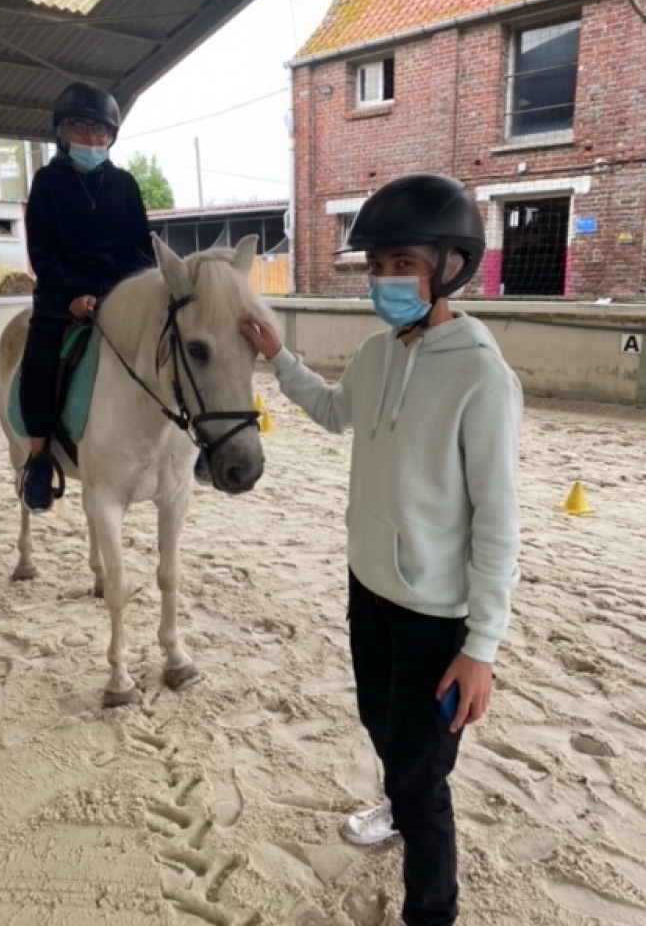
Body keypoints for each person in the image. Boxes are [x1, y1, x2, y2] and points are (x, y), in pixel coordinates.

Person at [241, 173, 522, 926]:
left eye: (403, 264)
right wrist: (279, 358)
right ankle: (396, 801)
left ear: (451, 265)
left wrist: (481, 648)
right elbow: (336, 412)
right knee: (381, 725)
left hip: (436, 615)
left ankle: (432, 910)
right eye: (376, 265)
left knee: (423, 781)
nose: (385, 280)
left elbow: (498, 520)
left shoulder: (482, 376)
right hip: (368, 587)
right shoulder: (375, 353)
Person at [18, 80, 156, 512]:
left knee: (172, 342)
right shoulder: (47, 183)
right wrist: (71, 296)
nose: (91, 139)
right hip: (62, 295)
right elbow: (43, 252)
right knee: (39, 358)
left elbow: (140, 251)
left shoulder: (125, 185)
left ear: (111, 137)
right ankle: (38, 458)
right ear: (63, 132)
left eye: (100, 131)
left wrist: (124, 295)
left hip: (117, 293)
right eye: (81, 128)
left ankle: (196, 438)